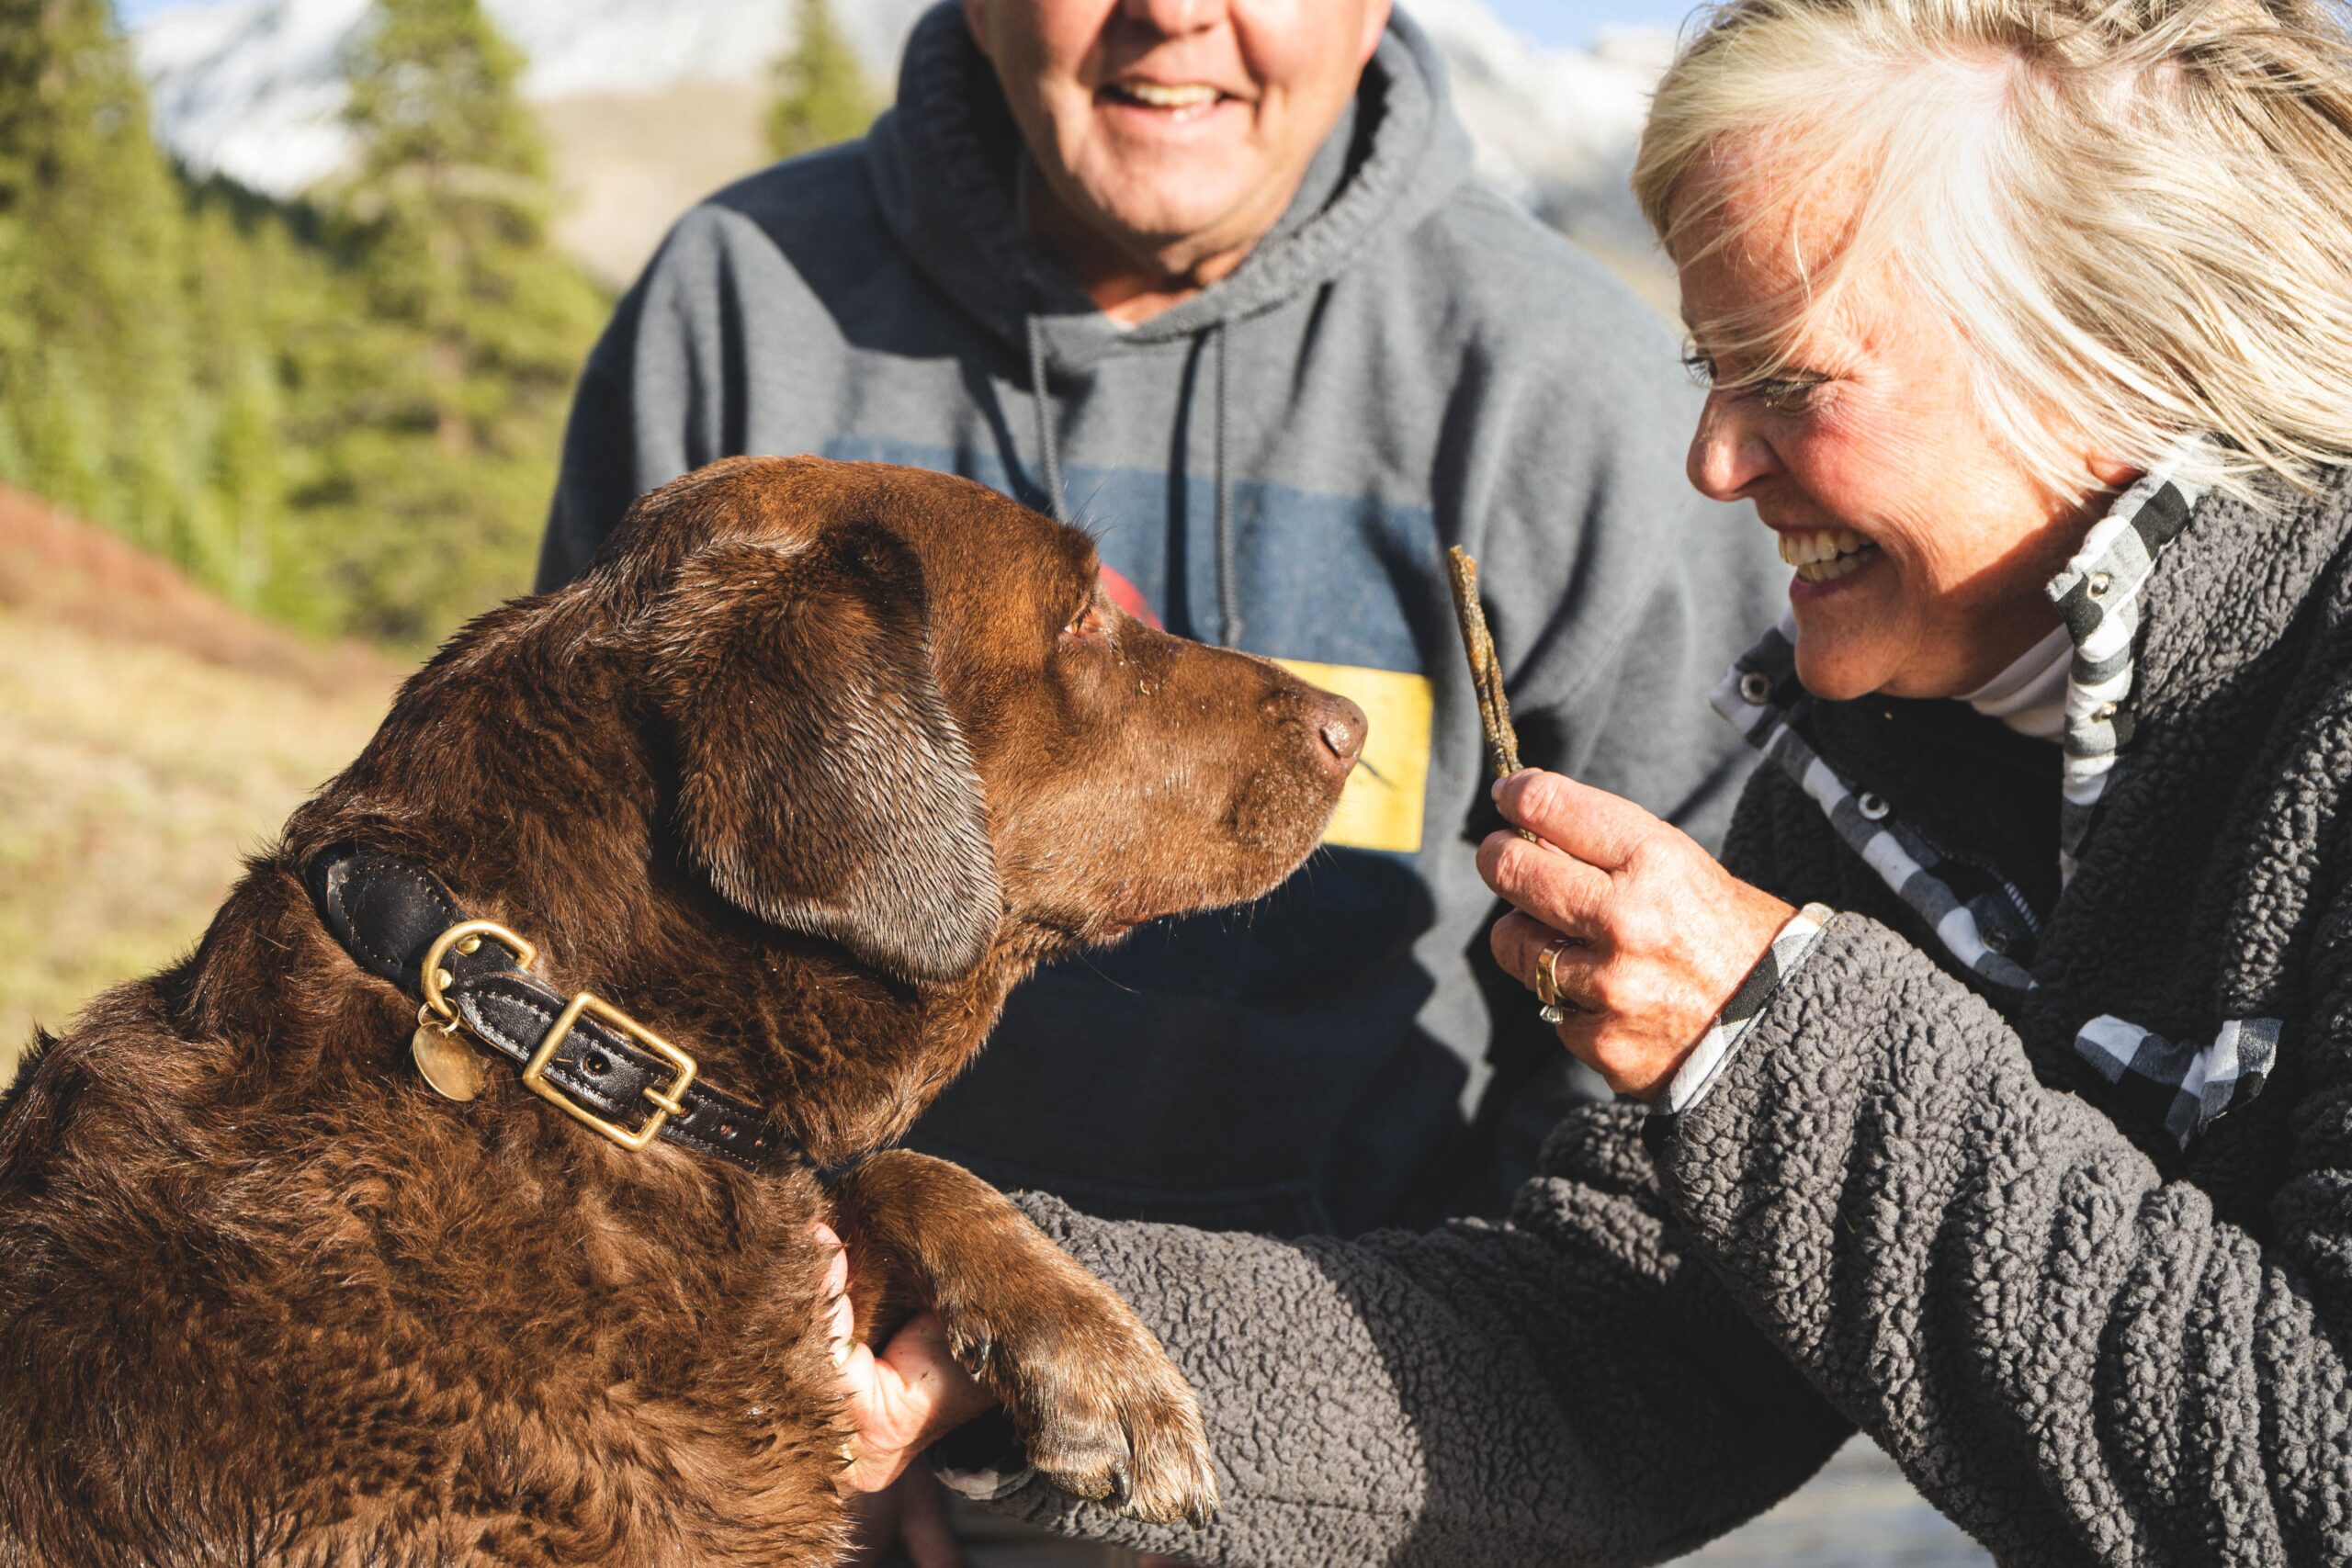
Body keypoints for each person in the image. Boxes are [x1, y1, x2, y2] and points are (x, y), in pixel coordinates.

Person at [834, 0, 2352, 1562]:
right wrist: (1011, 1340)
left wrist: (1766, 1039)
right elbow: (1613, 1365)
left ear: (2123, 348)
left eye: (1790, 377)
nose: (1711, 461)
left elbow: (2309, 1476)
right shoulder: (1883, 771)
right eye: (1711, 367)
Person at [539, 16, 1771, 1289]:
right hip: (815, 1401)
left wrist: (1421, 1416)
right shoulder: (740, 308)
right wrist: (770, 1363)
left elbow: (1667, 1053)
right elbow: (582, 938)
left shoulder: (1569, 393)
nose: (1175, 10)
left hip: (1382, 1391)